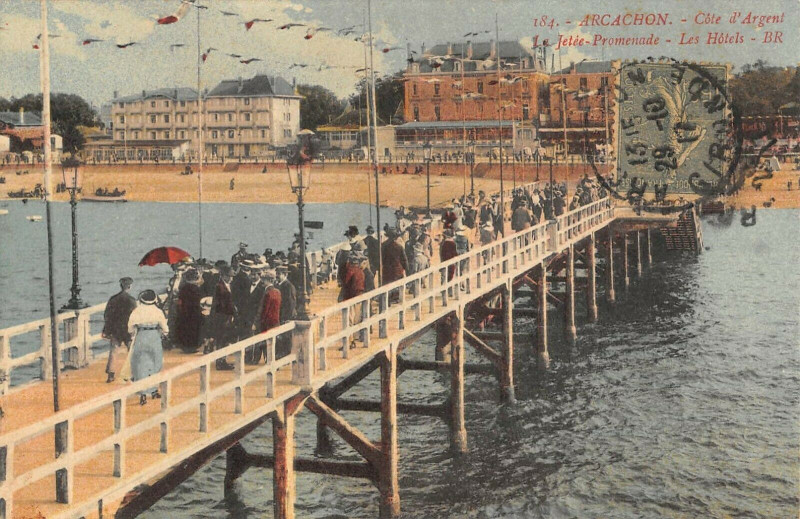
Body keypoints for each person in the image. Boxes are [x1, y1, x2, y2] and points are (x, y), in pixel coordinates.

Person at [125, 290, 169, 405]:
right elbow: (165, 328)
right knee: (156, 363)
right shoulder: (158, 311)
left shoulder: (137, 311)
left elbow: (130, 327)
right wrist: (164, 333)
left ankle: (142, 394)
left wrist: (133, 333)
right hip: (154, 335)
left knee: (140, 365)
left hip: (141, 335)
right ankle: (154, 390)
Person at [102, 277, 137, 383]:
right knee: (131, 351)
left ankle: (111, 375)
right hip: (127, 330)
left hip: (116, 329)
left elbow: (107, 315)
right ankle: (134, 373)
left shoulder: (113, 299)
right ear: (129, 286)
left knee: (114, 351)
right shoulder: (132, 300)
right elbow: (134, 316)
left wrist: (106, 330)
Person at [210, 266, 236, 370]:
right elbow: (222, 305)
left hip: (225, 317)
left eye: (232, 276)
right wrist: (233, 313)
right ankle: (220, 363)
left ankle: (222, 361)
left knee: (223, 340)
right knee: (221, 340)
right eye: (229, 276)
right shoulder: (220, 287)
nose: (231, 278)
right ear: (223, 276)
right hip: (222, 318)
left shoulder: (225, 286)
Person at [175, 269, 204, 353]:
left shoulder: (183, 288)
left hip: (184, 312)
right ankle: (192, 347)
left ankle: (185, 346)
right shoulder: (196, 289)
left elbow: (180, 302)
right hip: (194, 312)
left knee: (185, 329)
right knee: (193, 330)